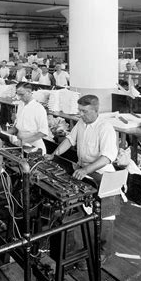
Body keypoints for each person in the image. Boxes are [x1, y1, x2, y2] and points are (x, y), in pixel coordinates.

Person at [45, 95, 119, 264]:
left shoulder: (105, 127)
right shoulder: (81, 123)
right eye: (79, 111)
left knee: (107, 214)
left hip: (105, 173)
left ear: (96, 110)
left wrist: (86, 169)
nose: (81, 114)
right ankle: (82, 248)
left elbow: (107, 157)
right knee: (84, 209)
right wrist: (54, 155)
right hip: (85, 171)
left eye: (84, 111)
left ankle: (104, 252)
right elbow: (69, 140)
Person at [7, 82, 49, 154]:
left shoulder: (38, 108)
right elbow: (18, 126)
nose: (19, 97)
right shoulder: (21, 105)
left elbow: (43, 132)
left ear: (29, 92)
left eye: (21, 95)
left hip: (34, 147)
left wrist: (24, 141)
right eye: (18, 94)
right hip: (21, 144)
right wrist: (5, 134)